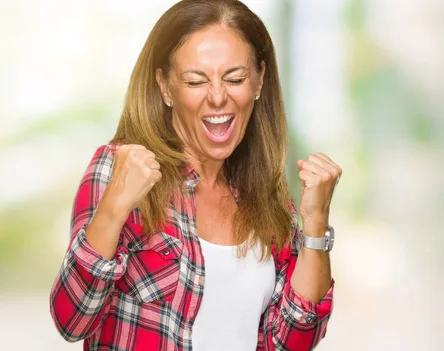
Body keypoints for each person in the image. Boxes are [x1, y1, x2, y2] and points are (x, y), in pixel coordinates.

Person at [49, 1, 341, 350]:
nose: (218, 97)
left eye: (235, 78)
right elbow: (71, 320)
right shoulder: (119, 169)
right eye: (195, 80)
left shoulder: (267, 199)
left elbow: (293, 341)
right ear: (165, 86)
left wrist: (315, 224)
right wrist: (114, 207)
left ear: (260, 80)